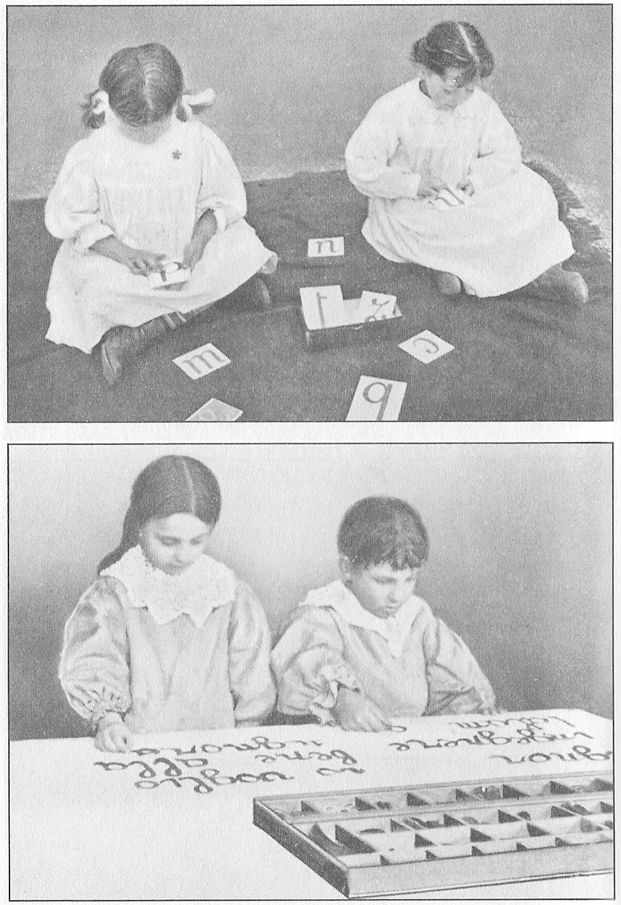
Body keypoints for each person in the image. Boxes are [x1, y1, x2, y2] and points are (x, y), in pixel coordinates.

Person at [44, 43, 277, 385]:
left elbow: (222, 199)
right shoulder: (91, 155)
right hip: (123, 258)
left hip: (186, 248)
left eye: (159, 125)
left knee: (243, 247)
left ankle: (157, 320)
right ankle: (194, 307)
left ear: (174, 104)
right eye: (137, 129)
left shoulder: (195, 138)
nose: (151, 136)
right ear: (113, 110)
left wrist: (201, 237)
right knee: (93, 293)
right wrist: (126, 254)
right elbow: (74, 221)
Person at [345, 21, 588, 305]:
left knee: (537, 193)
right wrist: (412, 184)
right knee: (451, 230)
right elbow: (359, 165)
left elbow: (506, 152)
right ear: (424, 70)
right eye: (449, 90)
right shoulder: (395, 107)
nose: (458, 100)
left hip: (465, 192)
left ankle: (457, 269)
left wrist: (477, 180)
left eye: (469, 90)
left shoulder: (478, 105)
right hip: (414, 204)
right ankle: (534, 278)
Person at [59, 455, 276, 751]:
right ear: (140, 527)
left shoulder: (227, 591)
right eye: (168, 542)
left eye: (197, 541)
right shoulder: (116, 591)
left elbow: (253, 678)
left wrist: (243, 735)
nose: (183, 555)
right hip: (137, 752)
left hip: (218, 752)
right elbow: (95, 660)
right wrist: (108, 720)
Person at [271, 496, 496, 730]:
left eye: (410, 579)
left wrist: (476, 712)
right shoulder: (323, 615)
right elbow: (306, 665)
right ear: (347, 569)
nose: (398, 595)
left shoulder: (417, 619)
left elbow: (455, 690)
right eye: (383, 581)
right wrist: (341, 699)